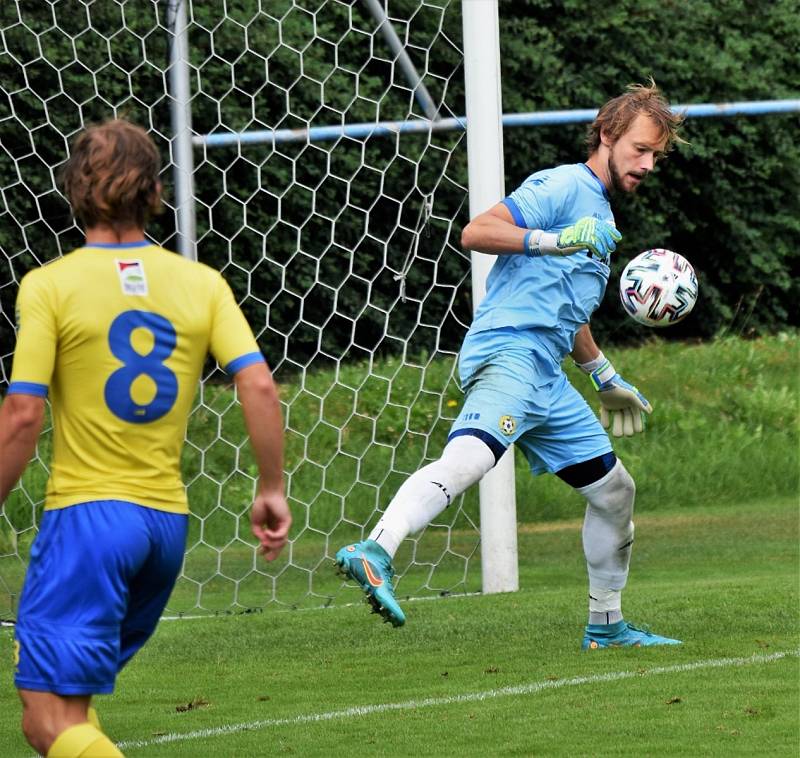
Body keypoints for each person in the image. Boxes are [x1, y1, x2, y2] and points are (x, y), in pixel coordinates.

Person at [336, 80, 685, 649]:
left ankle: (606, 627)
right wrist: (554, 240)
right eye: (640, 149)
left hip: (546, 371)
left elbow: (565, 311)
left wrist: (604, 377)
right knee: (472, 457)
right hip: (510, 350)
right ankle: (376, 548)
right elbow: (477, 231)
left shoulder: (598, 217)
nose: (647, 164)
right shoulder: (564, 185)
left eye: (655, 155)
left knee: (615, 492)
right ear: (607, 135)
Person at [0, 119, 291, 757]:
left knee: (46, 717)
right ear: (156, 192)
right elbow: (260, 388)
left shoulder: (50, 286)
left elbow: (23, 415)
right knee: (63, 713)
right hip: (165, 527)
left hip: (89, 519)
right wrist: (272, 488)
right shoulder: (202, 283)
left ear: (75, 188)